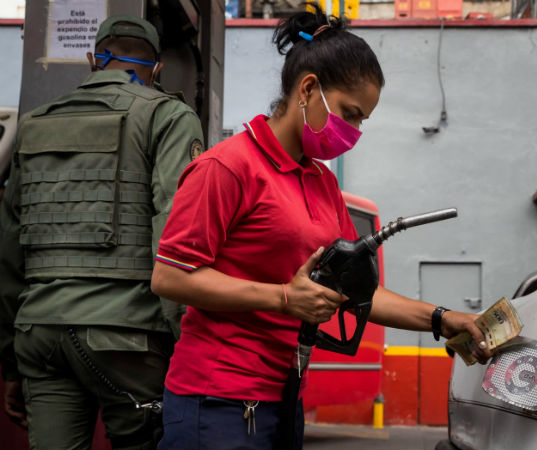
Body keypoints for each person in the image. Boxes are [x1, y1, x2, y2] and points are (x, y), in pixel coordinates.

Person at [150, 5, 490, 450]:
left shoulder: (323, 181)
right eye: (350, 114)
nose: (354, 131)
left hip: (284, 395)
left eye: (362, 120)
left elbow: (353, 291)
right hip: (218, 399)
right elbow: (171, 276)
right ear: (308, 89)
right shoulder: (227, 167)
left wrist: (442, 318)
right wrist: (284, 297)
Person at [0, 15, 205, 450]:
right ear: (157, 70)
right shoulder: (167, 116)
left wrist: (11, 361)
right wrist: (183, 338)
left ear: (92, 60)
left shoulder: (34, 124)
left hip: (40, 331)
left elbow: (8, 248)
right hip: (127, 335)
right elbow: (174, 230)